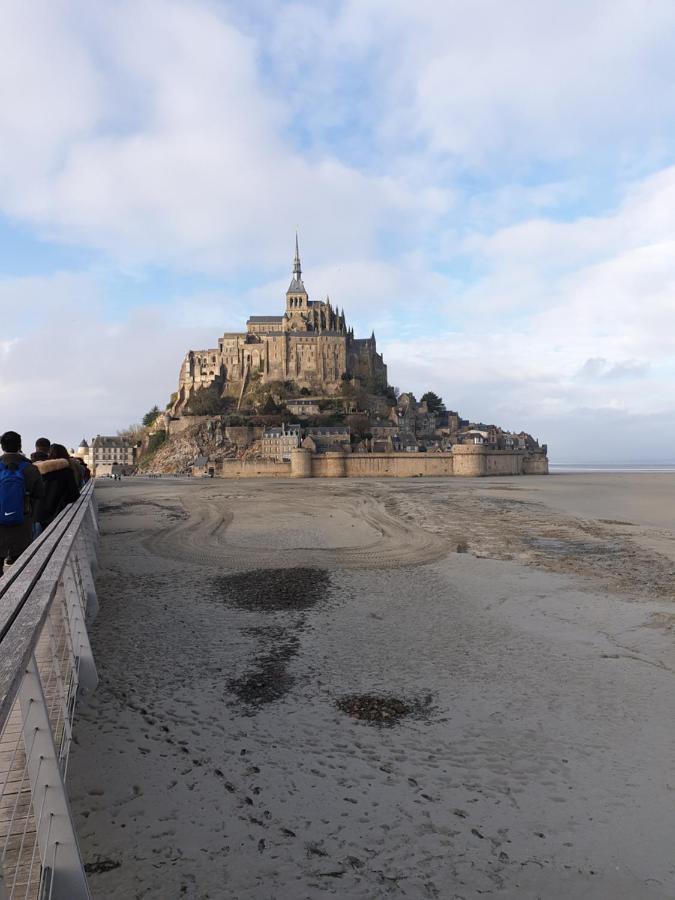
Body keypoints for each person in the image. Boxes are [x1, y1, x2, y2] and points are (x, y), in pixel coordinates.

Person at [0, 431, 44, 576]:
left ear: (2, 446)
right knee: (20, 566)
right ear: (20, 445)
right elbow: (40, 494)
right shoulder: (30, 468)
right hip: (22, 522)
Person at [33, 444, 79, 530]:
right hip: (59, 512)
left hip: (40, 513)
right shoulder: (67, 472)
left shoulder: (39, 470)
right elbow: (74, 495)